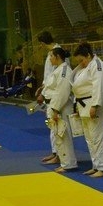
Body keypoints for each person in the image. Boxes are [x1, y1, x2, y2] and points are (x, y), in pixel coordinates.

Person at [71, 42, 103, 177]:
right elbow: (77, 89)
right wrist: (76, 105)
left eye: (82, 60)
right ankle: (96, 165)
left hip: (96, 105)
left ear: (88, 55)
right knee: (90, 138)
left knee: (99, 136)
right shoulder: (84, 68)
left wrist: (95, 105)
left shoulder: (98, 66)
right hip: (83, 105)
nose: (81, 63)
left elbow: (99, 86)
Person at [41, 46, 76, 173]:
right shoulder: (58, 70)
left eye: (51, 56)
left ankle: (68, 164)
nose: (50, 59)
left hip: (61, 107)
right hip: (54, 105)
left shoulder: (64, 71)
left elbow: (62, 92)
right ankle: (63, 161)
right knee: (58, 136)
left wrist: (56, 110)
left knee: (63, 135)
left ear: (58, 57)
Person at [35, 31, 60, 164]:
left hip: (55, 94)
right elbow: (49, 76)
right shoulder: (52, 53)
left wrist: (43, 93)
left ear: (43, 43)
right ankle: (55, 152)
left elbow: (55, 78)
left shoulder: (57, 53)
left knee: (57, 126)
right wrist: (42, 87)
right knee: (52, 125)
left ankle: (59, 154)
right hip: (49, 92)